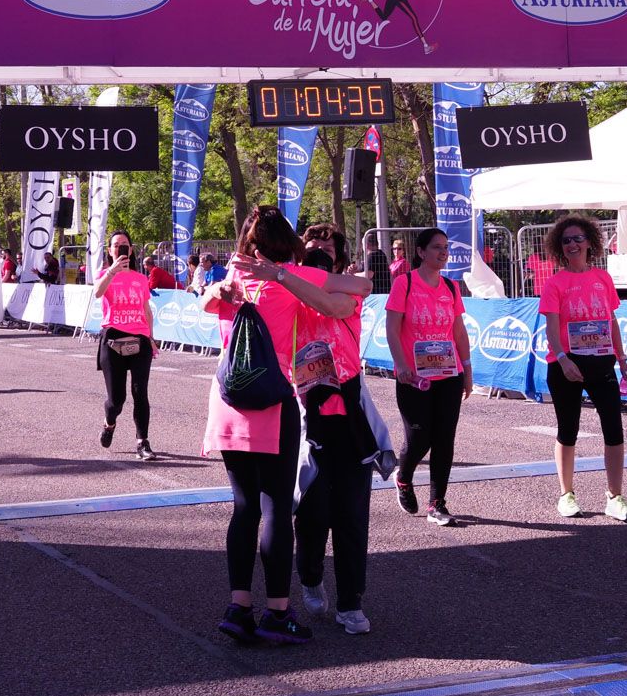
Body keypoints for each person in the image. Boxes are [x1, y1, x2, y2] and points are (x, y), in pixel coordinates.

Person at [202, 205, 362, 646]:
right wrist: (287, 275)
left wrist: (219, 284)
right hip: (274, 398)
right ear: (286, 244)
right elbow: (359, 285)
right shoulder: (290, 276)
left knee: (243, 506)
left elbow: (204, 299)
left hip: (229, 398)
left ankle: (238, 607)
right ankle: (276, 612)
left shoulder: (233, 278)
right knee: (274, 508)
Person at [293, 223, 389, 636]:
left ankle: (351, 602)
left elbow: (332, 306)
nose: (319, 251)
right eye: (312, 245)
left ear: (339, 256)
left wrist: (288, 276)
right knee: (312, 513)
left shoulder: (351, 289)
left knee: (352, 515)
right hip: (304, 414)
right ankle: (311, 574)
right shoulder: (289, 291)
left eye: (327, 247)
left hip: (349, 416)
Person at [540, 216, 627, 523]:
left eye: (577, 239)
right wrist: (562, 357)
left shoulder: (602, 279)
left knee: (613, 427)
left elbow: (611, 322)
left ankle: (615, 497)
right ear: (560, 246)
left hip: (602, 362)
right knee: (567, 430)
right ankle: (566, 494)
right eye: (566, 240)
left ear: (589, 243)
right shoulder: (555, 283)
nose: (572, 244)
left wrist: (622, 359)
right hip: (565, 366)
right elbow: (551, 327)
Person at [385, 227, 473, 527]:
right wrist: (401, 366)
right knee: (420, 434)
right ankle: (404, 477)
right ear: (421, 252)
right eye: (436, 247)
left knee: (445, 437)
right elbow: (392, 329)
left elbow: (458, 331)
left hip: (448, 373)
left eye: (445, 247)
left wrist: (467, 368)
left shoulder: (450, 287)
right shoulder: (405, 284)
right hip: (414, 376)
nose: (443, 252)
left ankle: (438, 503)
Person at [93, 230, 159, 461]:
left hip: (139, 339)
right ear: (110, 251)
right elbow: (97, 293)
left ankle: (143, 442)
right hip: (112, 339)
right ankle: (109, 422)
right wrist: (112, 271)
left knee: (141, 392)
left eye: (124, 245)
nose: (120, 248)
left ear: (130, 250)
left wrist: (151, 337)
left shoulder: (140, 278)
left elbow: (146, 310)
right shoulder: (104, 274)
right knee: (116, 400)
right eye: (116, 245)